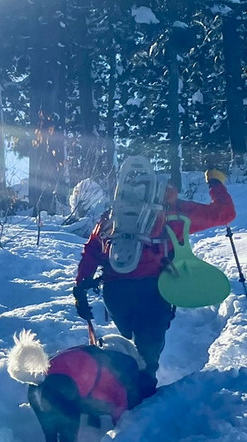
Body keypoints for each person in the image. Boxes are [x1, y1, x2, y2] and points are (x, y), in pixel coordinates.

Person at [72, 168, 235, 395]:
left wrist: (80, 285)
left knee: (131, 342)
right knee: (147, 354)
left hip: (115, 293)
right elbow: (225, 213)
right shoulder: (174, 211)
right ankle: (142, 398)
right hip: (154, 291)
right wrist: (215, 183)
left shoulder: (113, 215)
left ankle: (121, 390)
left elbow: (91, 251)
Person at [6, 329, 148, 442]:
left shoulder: (96, 354)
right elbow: (119, 405)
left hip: (36, 387)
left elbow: (92, 389)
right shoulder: (124, 367)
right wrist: (123, 429)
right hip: (61, 388)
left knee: (50, 434)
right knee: (67, 437)